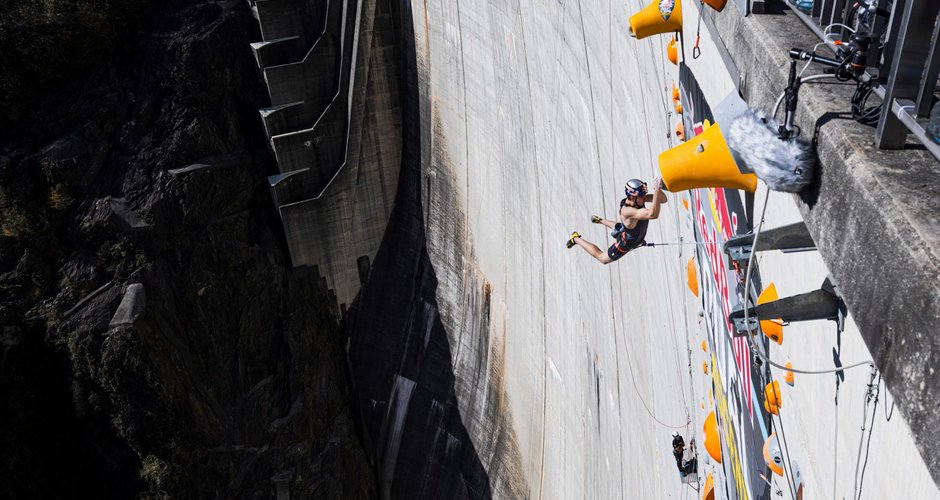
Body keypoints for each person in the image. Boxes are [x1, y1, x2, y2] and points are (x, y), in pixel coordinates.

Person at [566, 177, 668, 263]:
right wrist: (656, 190)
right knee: (602, 258)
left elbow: (663, 200)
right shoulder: (627, 211)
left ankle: (600, 220)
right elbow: (652, 214)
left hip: (633, 232)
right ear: (632, 197)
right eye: (641, 195)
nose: (644, 197)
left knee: (623, 228)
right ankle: (576, 239)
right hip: (627, 243)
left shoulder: (638, 200)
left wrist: (659, 187)